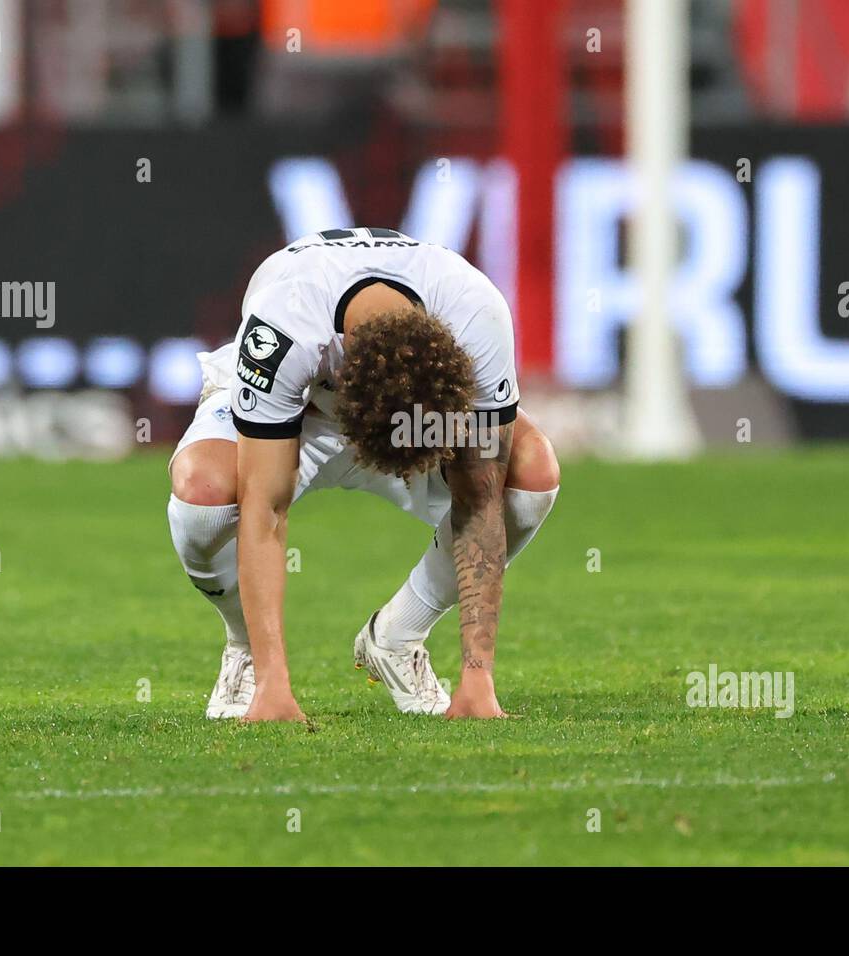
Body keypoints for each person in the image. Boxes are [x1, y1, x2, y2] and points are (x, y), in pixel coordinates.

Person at [166, 227, 559, 721]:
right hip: (299, 408)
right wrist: (275, 687)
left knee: (530, 475)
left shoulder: (478, 315)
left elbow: (479, 500)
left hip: (412, 407)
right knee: (204, 491)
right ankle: (246, 648)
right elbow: (266, 509)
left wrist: (478, 680)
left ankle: (399, 634)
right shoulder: (284, 327)